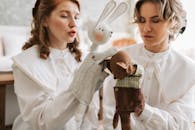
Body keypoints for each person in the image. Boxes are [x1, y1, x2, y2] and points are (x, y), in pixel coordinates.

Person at [84, 0, 195, 129]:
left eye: (155, 20)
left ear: (173, 22)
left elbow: (179, 124)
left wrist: (143, 110)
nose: (146, 28)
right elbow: (109, 111)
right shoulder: (121, 57)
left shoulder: (188, 70)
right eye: (142, 20)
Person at [11, 0, 116, 130]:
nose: (73, 23)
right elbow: (41, 122)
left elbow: (90, 112)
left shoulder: (84, 58)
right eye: (64, 16)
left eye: (76, 17)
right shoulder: (26, 63)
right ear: (44, 20)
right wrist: (79, 87)